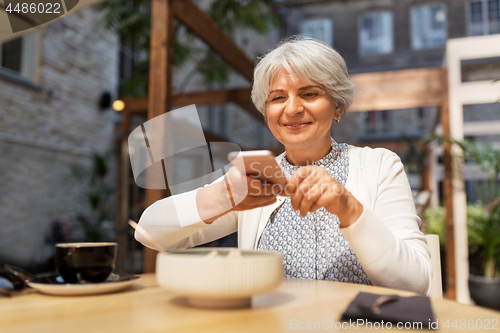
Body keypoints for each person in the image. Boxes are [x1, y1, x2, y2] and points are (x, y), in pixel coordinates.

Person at [135, 37, 432, 295]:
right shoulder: (255, 177)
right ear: (267, 112)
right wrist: (224, 196)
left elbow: (414, 284)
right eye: (278, 98)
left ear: (338, 106)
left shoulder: (379, 165)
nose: (292, 109)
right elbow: (149, 233)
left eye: (309, 93)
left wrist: (348, 208)